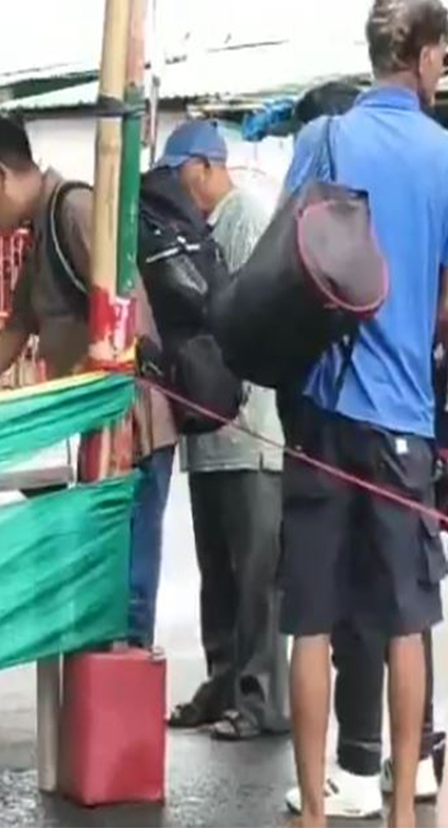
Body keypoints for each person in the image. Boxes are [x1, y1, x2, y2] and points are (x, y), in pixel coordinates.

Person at [279, 0, 448, 828]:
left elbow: (289, 262)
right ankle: (404, 808)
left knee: (313, 621)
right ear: (428, 53)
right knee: (408, 619)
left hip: (319, 410)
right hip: (402, 421)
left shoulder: (324, 139)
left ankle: (319, 813)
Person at [0, 114, 177, 644]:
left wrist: (90, 383)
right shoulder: (40, 232)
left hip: (131, 428)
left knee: (125, 582)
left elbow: (130, 319)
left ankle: (121, 697)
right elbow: (17, 327)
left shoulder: (76, 211)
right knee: (97, 573)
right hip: (93, 424)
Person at [156, 120, 288, 742]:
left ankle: (261, 700)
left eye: (178, 173)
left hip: (250, 432)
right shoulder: (199, 230)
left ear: (205, 166)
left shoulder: (245, 217)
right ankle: (222, 686)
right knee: (219, 575)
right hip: (209, 437)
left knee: (256, 576)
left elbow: (243, 314)